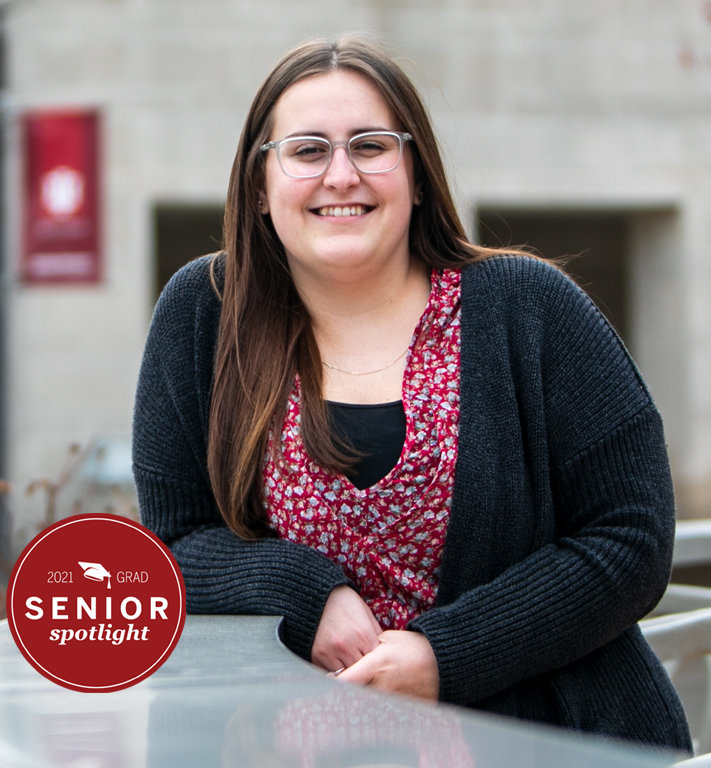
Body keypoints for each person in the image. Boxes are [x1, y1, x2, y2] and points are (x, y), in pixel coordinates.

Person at [133, 35, 691, 750]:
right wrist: (306, 594)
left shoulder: (532, 308)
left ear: (418, 173)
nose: (341, 175)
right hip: (297, 748)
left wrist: (445, 656)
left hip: (555, 740)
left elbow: (632, 538)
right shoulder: (205, 314)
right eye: (307, 151)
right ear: (259, 188)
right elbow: (169, 546)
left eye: (371, 145)